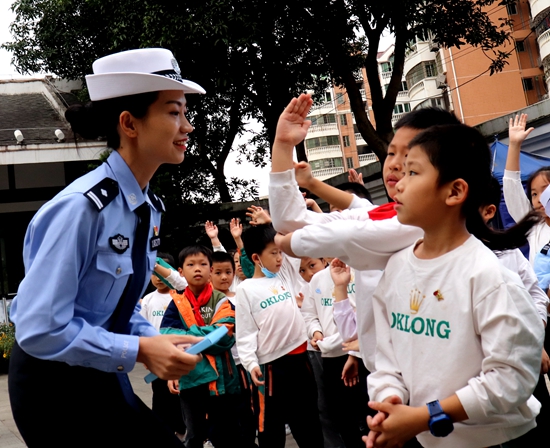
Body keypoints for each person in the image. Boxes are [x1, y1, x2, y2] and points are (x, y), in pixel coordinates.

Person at [8, 48, 204, 446]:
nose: (187, 126)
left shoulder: (146, 207)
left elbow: (117, 305)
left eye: (185, 112)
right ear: (130, 123)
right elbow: (39, 328)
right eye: (173, 112)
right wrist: (141, 350)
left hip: (101, 370)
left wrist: (153, 339)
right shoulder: (81, 208)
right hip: (53, 388)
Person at [365, 124, 544, 448]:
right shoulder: (396, 268)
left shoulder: (488, 277)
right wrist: (388, 401)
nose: (398, 185)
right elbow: (388, 358)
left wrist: (426, 415)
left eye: (412, 172)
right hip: (429, 438)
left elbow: (512, 377)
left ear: (454, 192)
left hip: (497, 440)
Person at [270, 94, 459, 372]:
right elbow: (291, 220)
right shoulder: (380, 214)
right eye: (392, 152)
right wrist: (283, 145)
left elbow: (349, 235)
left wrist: (293, 242)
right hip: (389, 378)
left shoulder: (417, 225)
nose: (395, 164)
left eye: (409, 158)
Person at [235, 224, 324, 448]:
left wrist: (272, 221)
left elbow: (292, 237)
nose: (279, 258)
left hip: (300, 360)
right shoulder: (246, 289)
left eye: (280, 252)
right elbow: (245, 332)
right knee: (270, 429)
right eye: (273, 253)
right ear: (256, 257)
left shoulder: (284, 275)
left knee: (308, 423)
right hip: (271, 368)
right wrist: (250, 362)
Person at [161, 245, 240, 448]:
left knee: (225, 435)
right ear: (181, 272)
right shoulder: (176, 303)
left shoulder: (221, 300)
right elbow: (167, 336)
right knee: (194, 435)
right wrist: (206, 334)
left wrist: (188, 336)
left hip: (223, 380)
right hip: (191, 378)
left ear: (211, 270)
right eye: (191, 264)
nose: (198, 269)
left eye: (203, 264)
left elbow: (224, 336)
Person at [140, 252, 187, 441]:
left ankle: (184, 430)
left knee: (180, 397)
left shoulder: (180, 296)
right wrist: (144, 354)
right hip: (156, 358)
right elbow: (142, 328)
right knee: (160, 397)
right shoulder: (148, 300)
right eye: (153, 273)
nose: (158, 278)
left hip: (179, 355)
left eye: (161, 273)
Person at [503, 113, 550, 264]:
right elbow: (512, 187)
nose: (538, 199)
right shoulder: (535, 226)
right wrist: (514, 145)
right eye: (534, 194)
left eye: (545, 189)